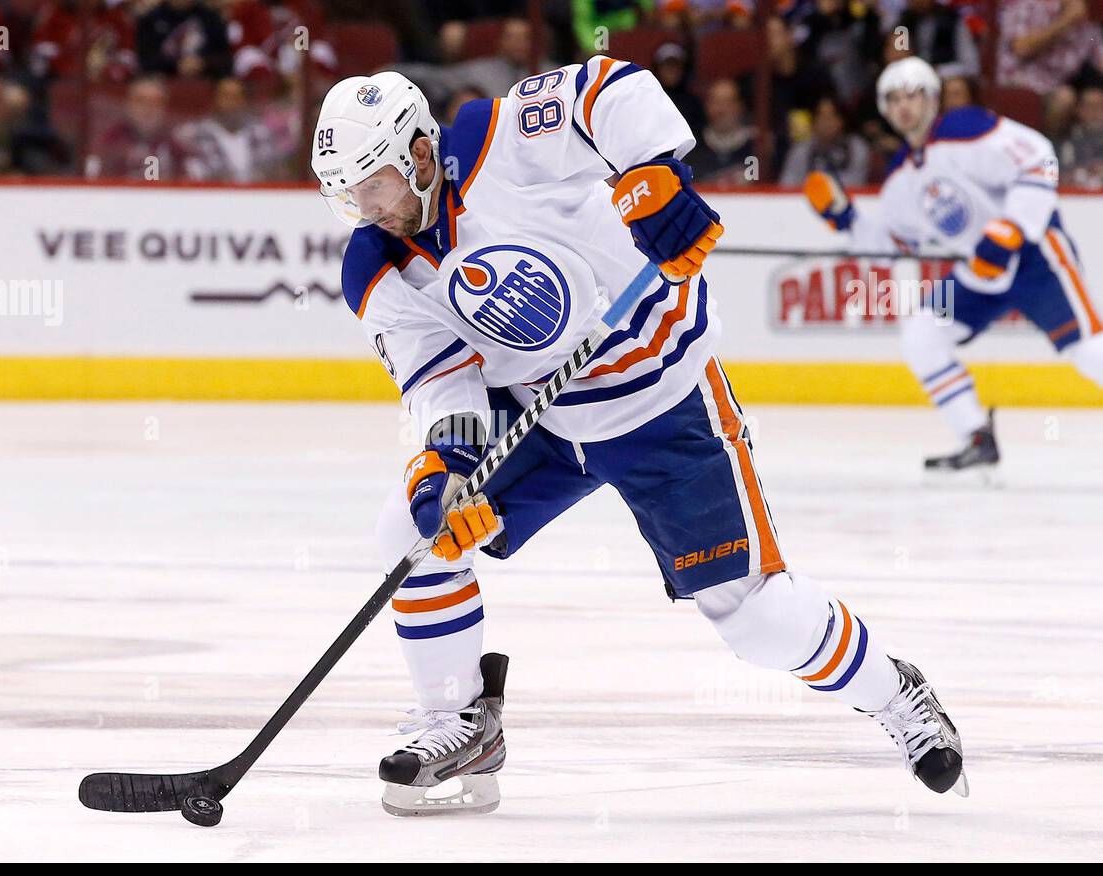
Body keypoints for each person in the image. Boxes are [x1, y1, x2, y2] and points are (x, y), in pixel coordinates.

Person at [311, 64, 967, 816]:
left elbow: (608, 88)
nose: (367, 210)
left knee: (759, 620)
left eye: (376, 186)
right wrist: (445, 471)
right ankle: (461, 719)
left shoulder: (496, 140)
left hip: (664, 402)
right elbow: (441, 377)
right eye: (347, 197)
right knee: (414, 530)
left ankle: (894, 692)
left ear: (420, 152)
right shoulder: (375, 267)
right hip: (545, 420)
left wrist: (652, 173)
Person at [803, 57, 1102, 471]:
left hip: (1036, 257)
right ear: (885, 110)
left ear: (932, 99)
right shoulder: (899, 178)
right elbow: (892, 249)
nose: (904, 106)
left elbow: (1039, 159)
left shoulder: (967, 129)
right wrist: (845, 218)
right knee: (924, 333)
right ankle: (977, 438)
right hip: (978, 274)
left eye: (913, 94)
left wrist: (1013, 226)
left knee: (1087, 349)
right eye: (894, 99)